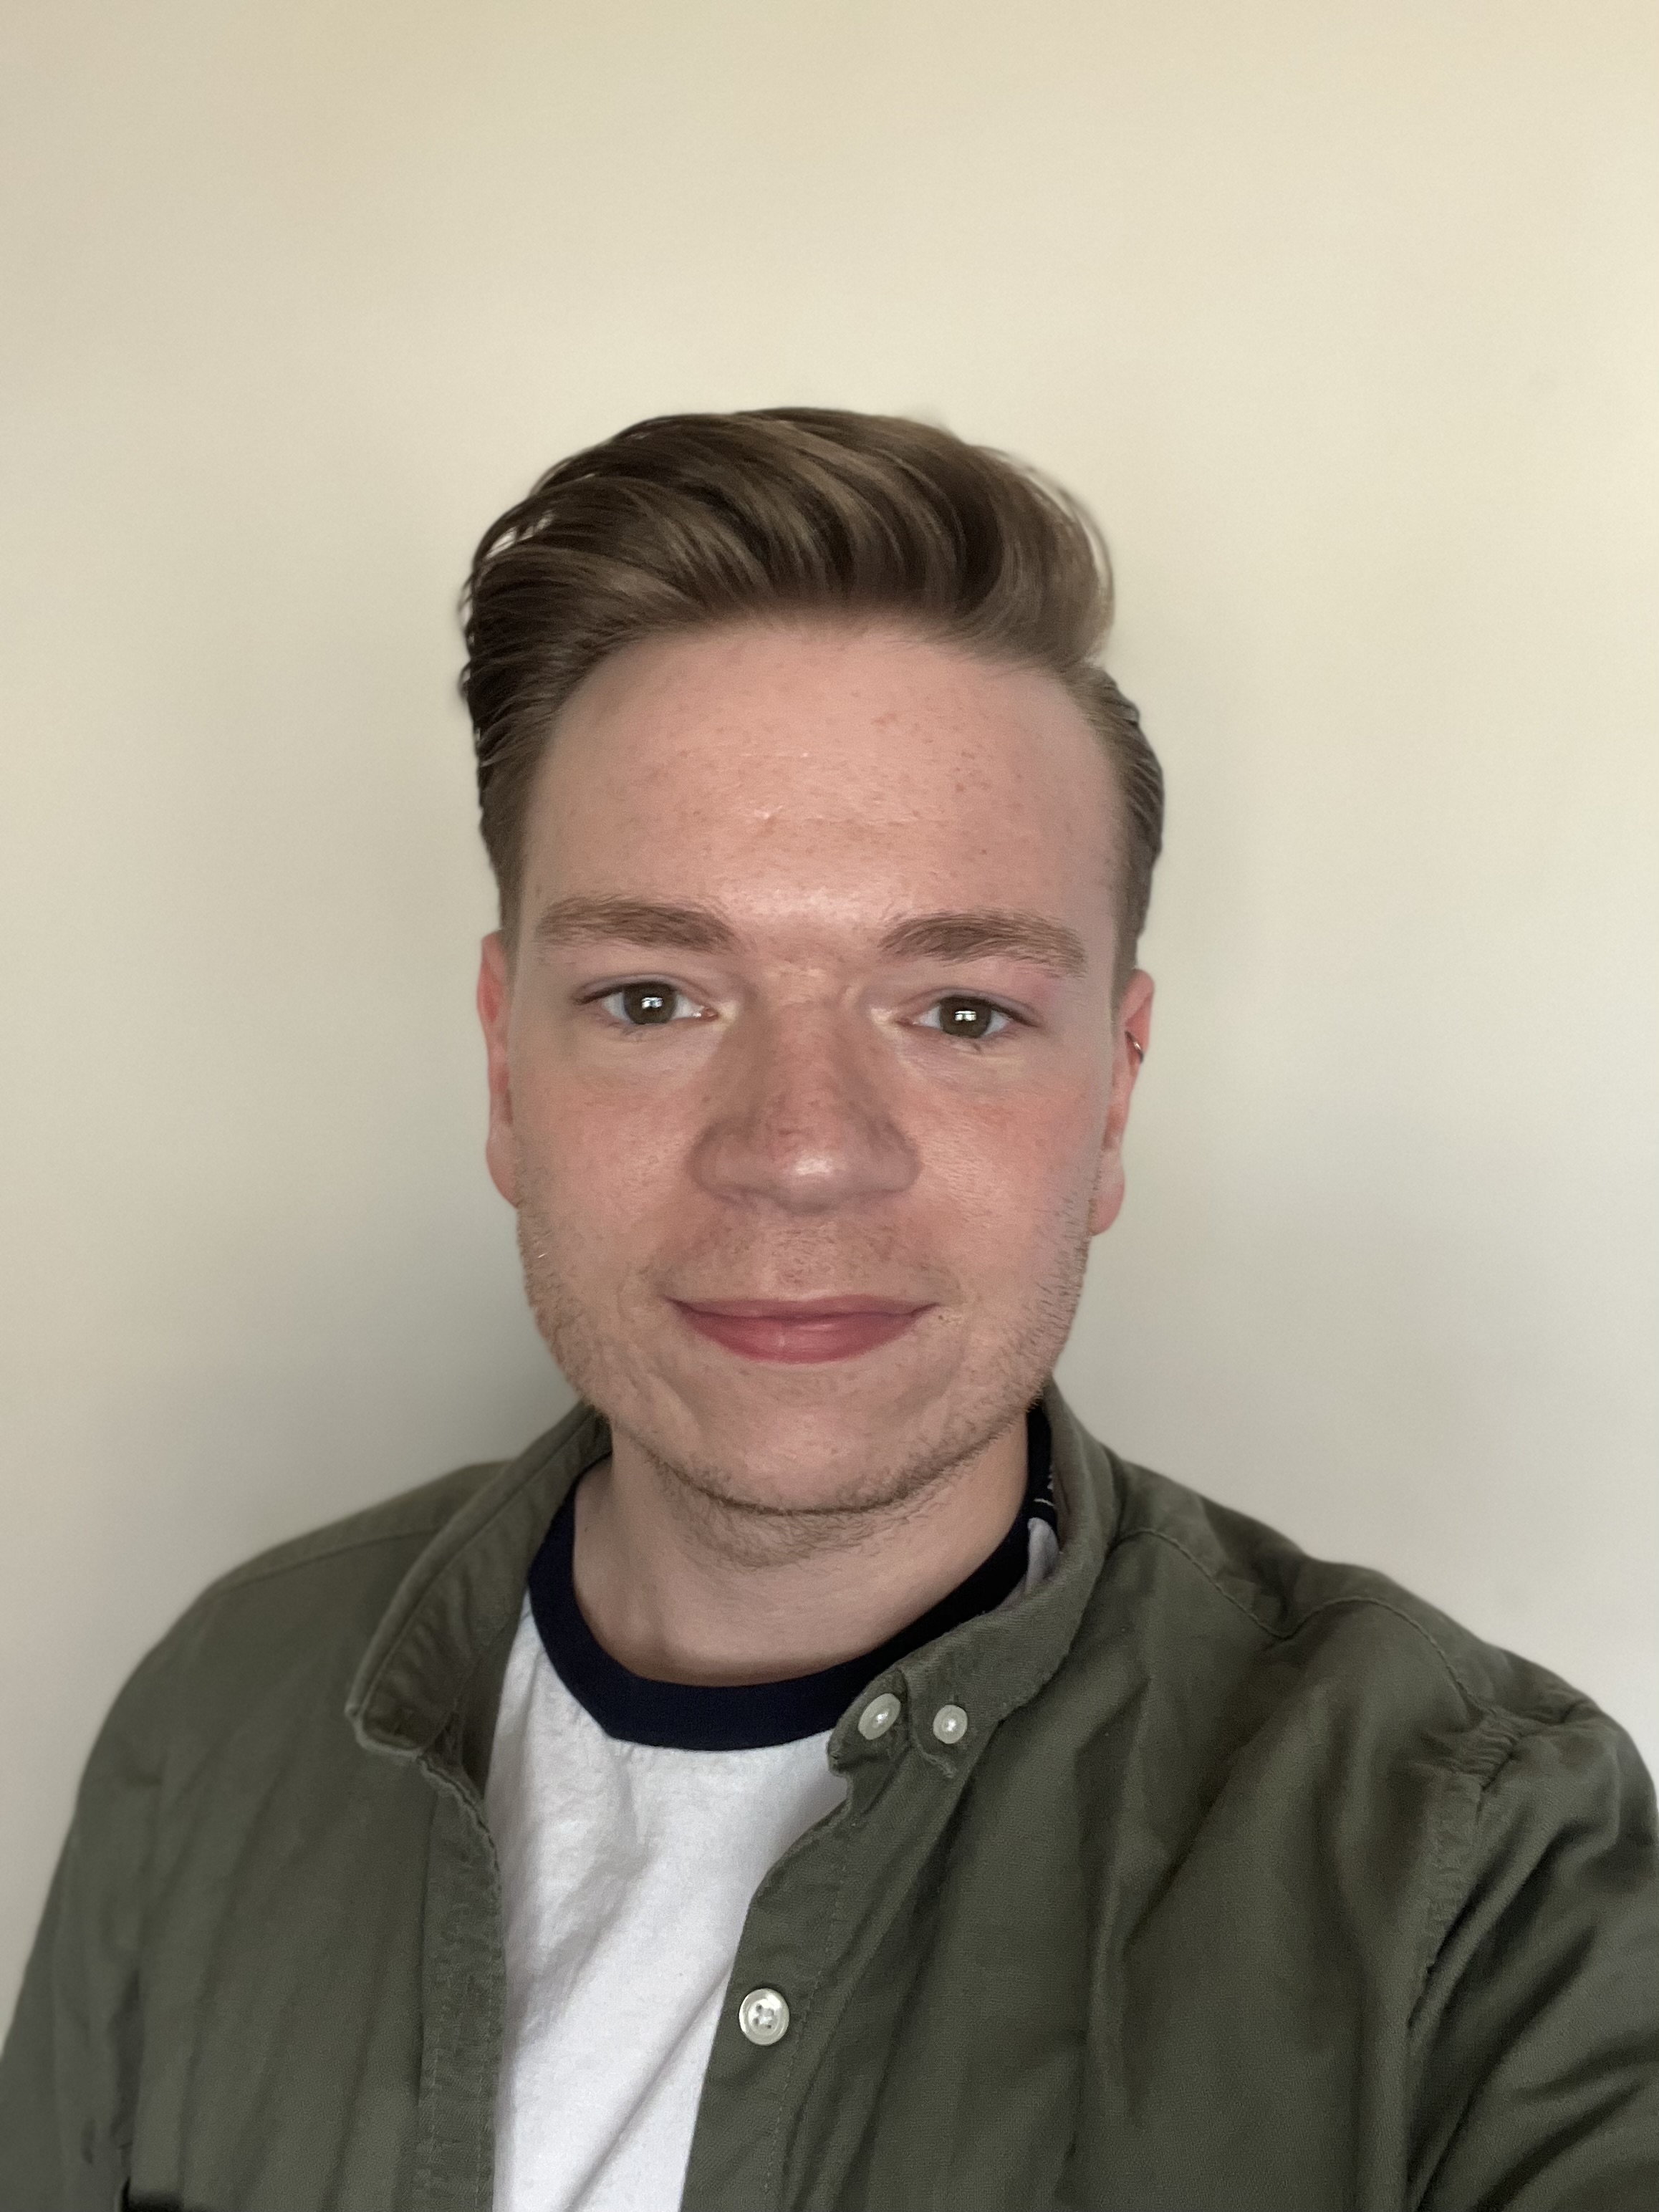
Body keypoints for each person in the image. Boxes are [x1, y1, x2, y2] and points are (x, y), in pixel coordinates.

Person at [1, 409, 1654, 2212]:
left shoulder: (1479, 1865)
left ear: (1114, 1094)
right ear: (503, 1066)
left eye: (961, 1010)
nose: (799, 1154)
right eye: (653, 997)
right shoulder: (223, 1714)